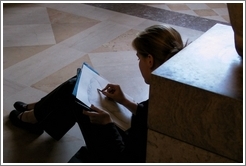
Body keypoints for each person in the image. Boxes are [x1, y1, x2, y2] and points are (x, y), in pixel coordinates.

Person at [9, 24, 188, 163]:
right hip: (139, 145)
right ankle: (39, 112)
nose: (138, 63)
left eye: (138, 58)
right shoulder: (172, 89)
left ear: (149, 60)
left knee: (76, 92)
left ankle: (36, 115)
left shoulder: (160, 97)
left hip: (120, 156)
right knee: (79, 85)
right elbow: (150, 117)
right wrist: (124, 101)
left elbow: (125, 159)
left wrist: (107, 124)